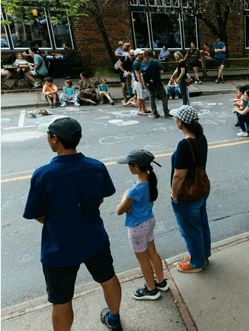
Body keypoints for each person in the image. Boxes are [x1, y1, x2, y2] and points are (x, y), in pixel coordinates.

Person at [24, 117, 122, 331]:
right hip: (94, 238)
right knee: (108, 278)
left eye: (49, 135)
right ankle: (115, 318)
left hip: (58, 247)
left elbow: (37, 214)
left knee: (61, 301)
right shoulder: (96, 166)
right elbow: (101, 198)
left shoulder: (43, 175)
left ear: (55, 139)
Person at [116, 149, 168, 300]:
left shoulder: (135, 189)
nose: (128, 167)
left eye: (129, 164)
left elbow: (120, 210)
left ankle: (151, 290)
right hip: (149, 221)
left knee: (142, 259)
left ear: (136, 167)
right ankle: (160, 282)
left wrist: (125, 195)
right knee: (152, 252)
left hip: (137, 227)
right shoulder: (148, 183)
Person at [170, 105, 212, 273]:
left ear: (181, 122)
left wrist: (174, 195)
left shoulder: (184, 144)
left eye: (176, 118)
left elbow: (178, 176)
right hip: (201, 189)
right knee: (202, 224)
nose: (175, 120)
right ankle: (203, 254)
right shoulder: (202, 138)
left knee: (190, 229)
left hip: (187, 194)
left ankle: (196, 263)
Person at [141, 49, 171, 119]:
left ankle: (155, 112)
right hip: (157, 81)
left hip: (148, 82)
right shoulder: (155, 61)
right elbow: (161, 71)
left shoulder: (143, 63)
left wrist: (144, 83)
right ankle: (166, 111)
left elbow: (142, 74)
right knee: (164, 96)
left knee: (151, 97)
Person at [132, 49, 149, 116]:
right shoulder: (136, 63)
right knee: (139, 96)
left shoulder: (140, 61)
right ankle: (140, 110)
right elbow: (137, 74)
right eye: (141, 54)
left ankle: (144, 108)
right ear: (137, 55)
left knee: (143, 96)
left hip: (142, 81)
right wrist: (142, 83)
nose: (142, 55)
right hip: (138, 82)